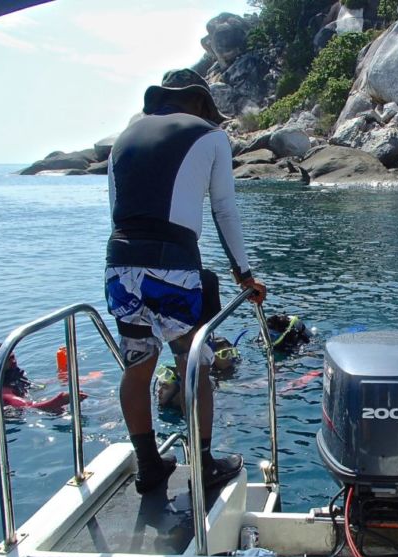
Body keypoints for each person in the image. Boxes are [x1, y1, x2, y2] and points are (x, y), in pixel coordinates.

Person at [104, 67, 267, 494]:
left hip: (120, 262)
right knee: (193, 363)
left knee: (137, 366)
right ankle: (205, 462)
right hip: (173, 263)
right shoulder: (210, 135)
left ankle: (149, 465)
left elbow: (117, 207)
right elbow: (224, 210)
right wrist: (244, 274)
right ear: (199, 101)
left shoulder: (124, 137)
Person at [0, 343, 85, 411]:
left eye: (13, 357)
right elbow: (28, 407)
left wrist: (68, 378)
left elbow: (33, 384)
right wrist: (60, 400)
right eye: (8, 359)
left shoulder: (10, 374)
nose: (14, 361)